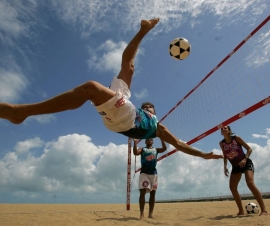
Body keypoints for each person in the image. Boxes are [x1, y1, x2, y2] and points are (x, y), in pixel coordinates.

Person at [0, 18, 223, 160]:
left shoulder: (157, 127)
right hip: (123, 108)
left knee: (91, 88)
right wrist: (144, 30)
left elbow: (180, 145)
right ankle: (143, 29)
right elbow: (128, 65)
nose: (149, 107)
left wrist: (203, 155)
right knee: (129, 67)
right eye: (147, 105)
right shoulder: (132, 101)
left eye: (150, 108)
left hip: (127, 119)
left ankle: (21, 112)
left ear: (153, 113)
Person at [219, 125, 268, 216]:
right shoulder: (222, 143)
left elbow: (249, 149)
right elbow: (225, 155)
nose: (223, 129)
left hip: (245, 162)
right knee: (232, 188)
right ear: (221, 133)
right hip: (235, 166)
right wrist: (225, 167)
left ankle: (264, 210)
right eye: (222, 129)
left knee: (250, 183)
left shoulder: (236, 138)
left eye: (225, 128)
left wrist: (245, 159)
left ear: (229, 131)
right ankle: (241, 211)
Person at [133, 138, 167, 219]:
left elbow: (164, 149)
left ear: (153, 142)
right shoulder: (142, 149)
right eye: (147, 140)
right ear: (145, 142)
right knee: (142, 192)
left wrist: (162, 139)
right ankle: (142, 214)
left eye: (151, 140)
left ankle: (150, 214)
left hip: (153, 173)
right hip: (144, 173)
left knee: (153, 193)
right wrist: (135, 143)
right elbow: (135, 153)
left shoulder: (156, 150)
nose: (149, 140)